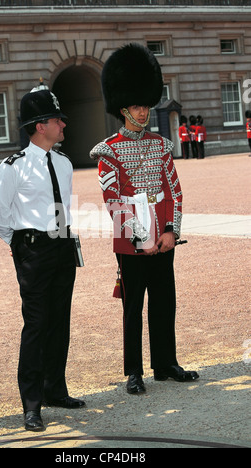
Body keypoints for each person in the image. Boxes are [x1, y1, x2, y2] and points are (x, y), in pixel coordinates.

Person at [90, 43, 199, 395]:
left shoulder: (161, 145)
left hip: (164, 239)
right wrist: (143, 238)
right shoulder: (108, 151)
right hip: (132, 242)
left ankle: (166, 363)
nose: (144, 110)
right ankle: (134, 371)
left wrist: (169, 231)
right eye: (137, 105)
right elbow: (112, 201)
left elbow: (174, 193)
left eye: (146, 104)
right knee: (133, 307)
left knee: (165, 302)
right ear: (123, 109)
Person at [0, 89, 85, 432]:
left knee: (60, 320)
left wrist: (60, 239)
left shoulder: (64, 163)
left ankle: (55, 390)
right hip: (32, 248)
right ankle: (31, 405)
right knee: (36, 324)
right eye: (58, 120)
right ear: (40, 126)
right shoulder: (11, 168)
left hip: (61, 244)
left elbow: (63, 209)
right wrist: (20, 247)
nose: (63, 124)